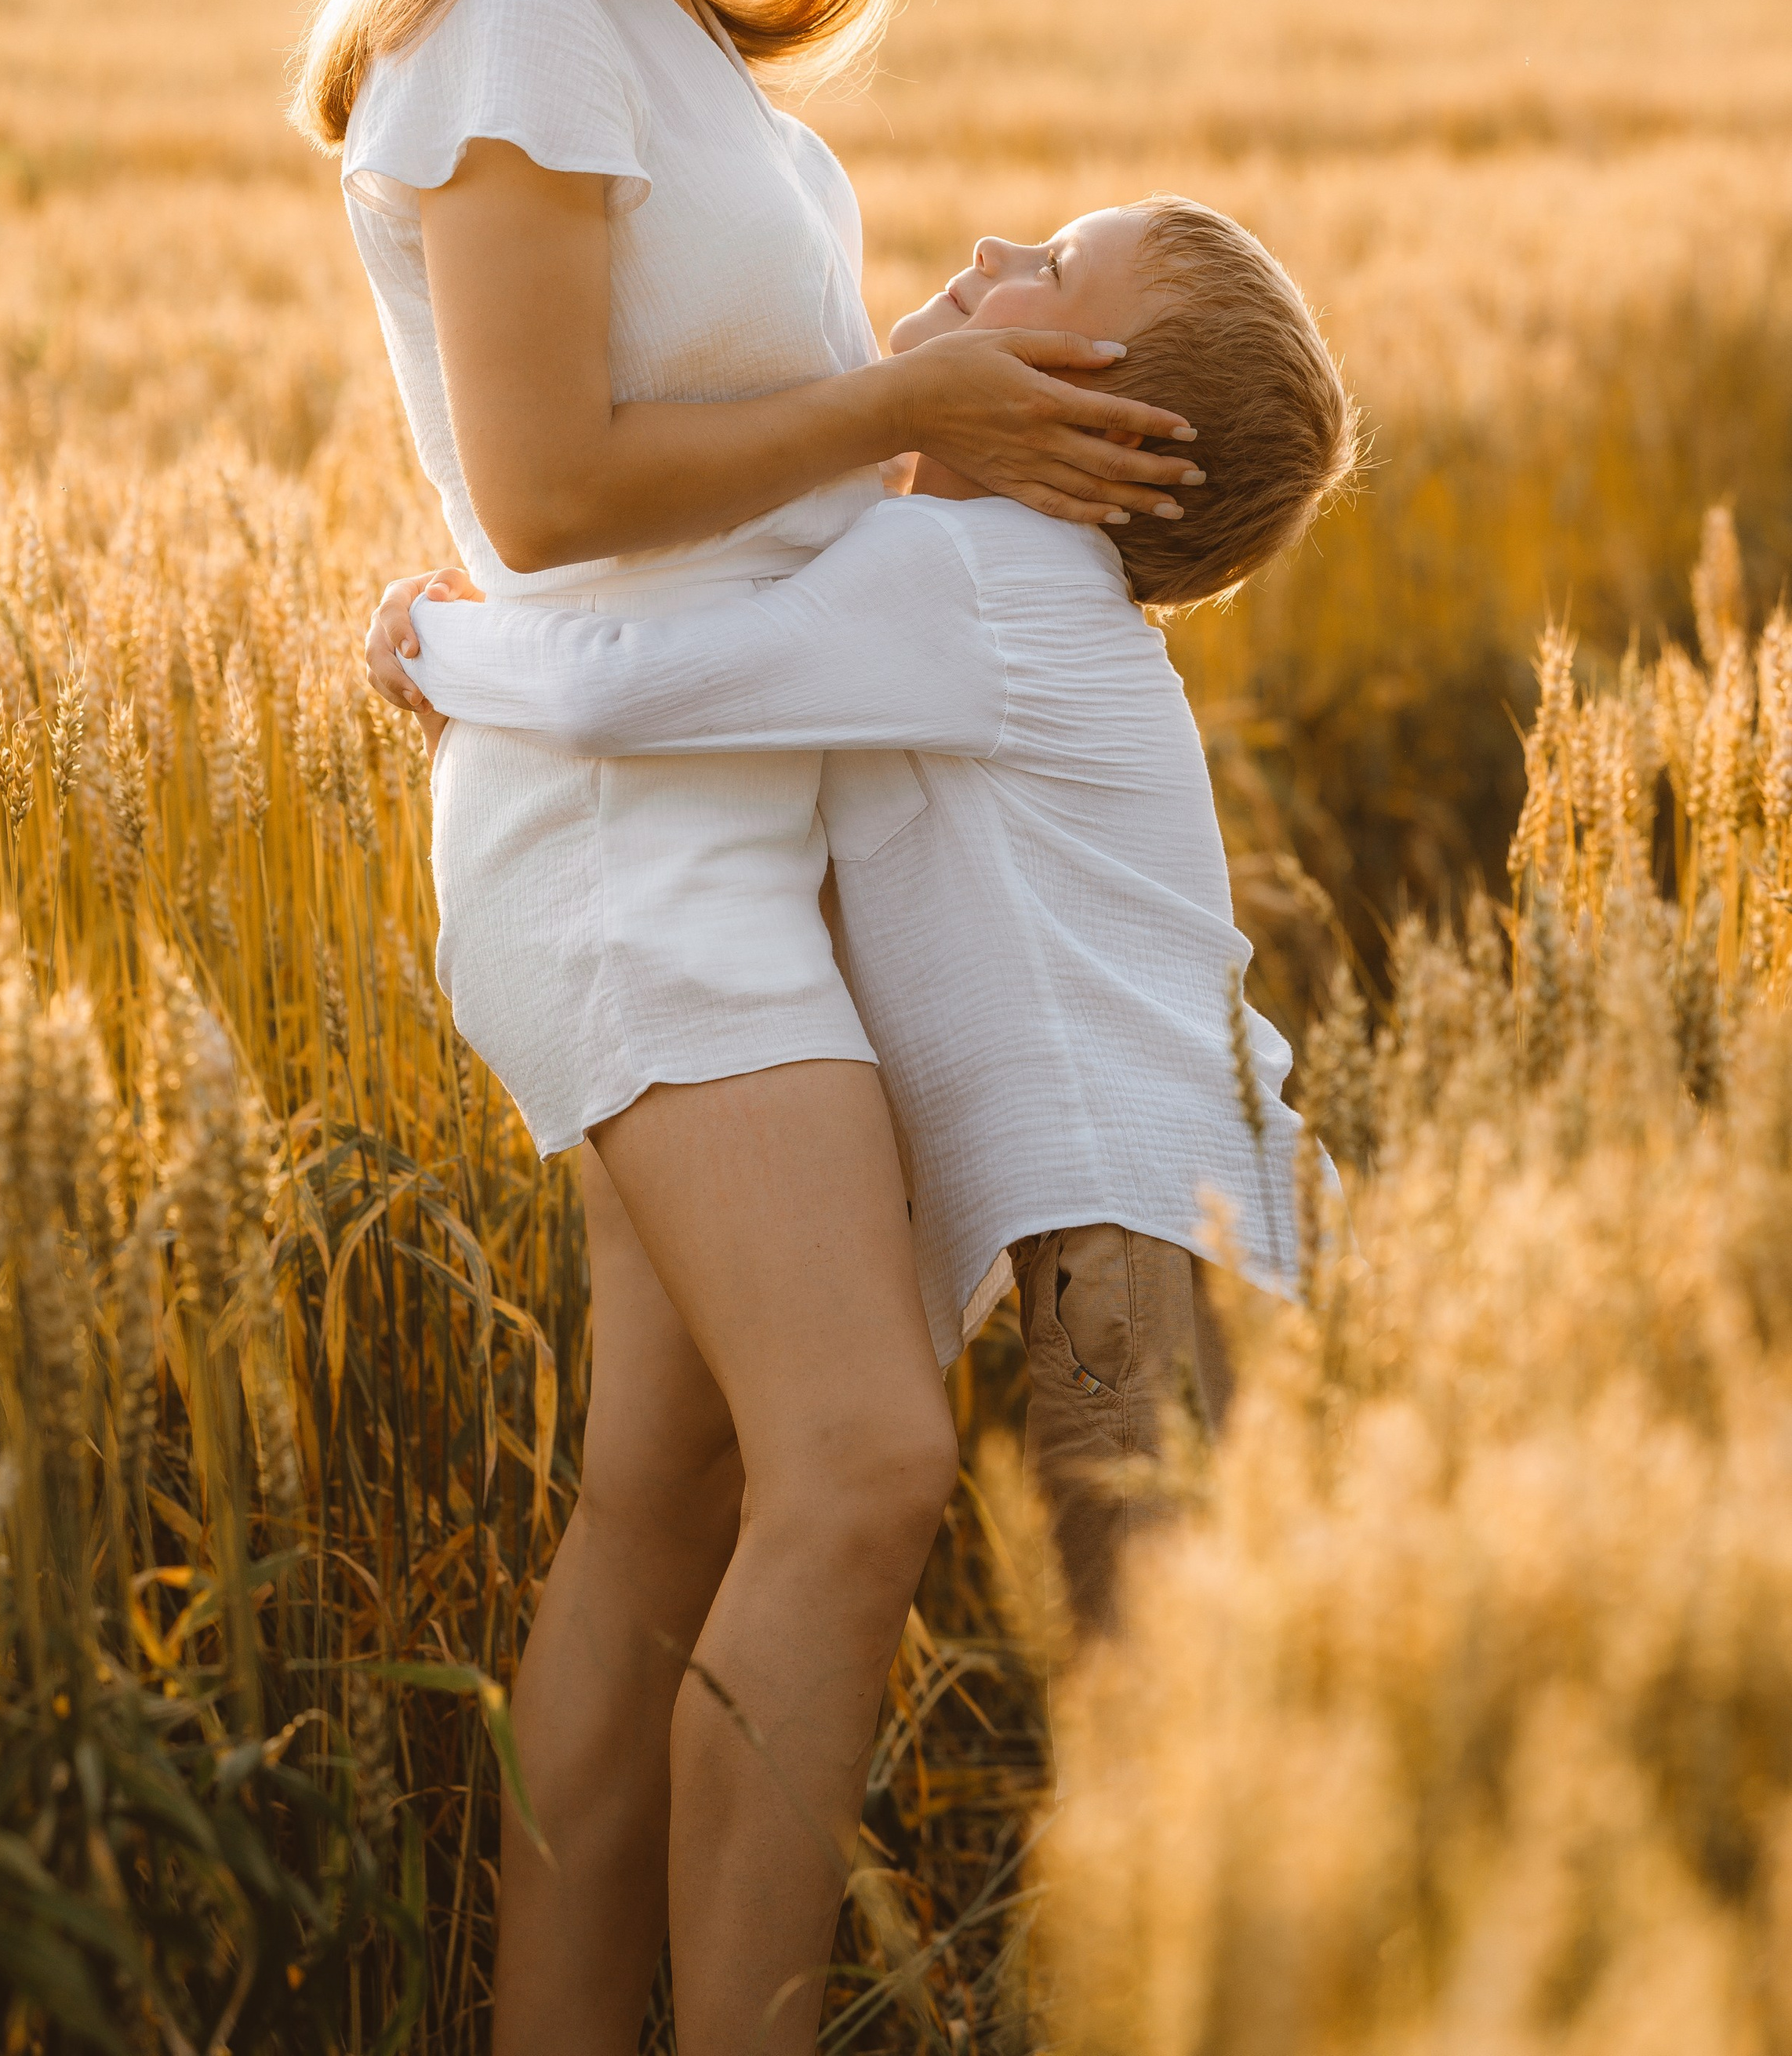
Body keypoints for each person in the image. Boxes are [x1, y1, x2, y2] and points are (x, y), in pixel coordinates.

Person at [304, 0, 1205, 2056]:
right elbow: (560, 486)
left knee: (672, 1505)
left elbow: (755, 457)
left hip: (738, 814)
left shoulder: (658, 56)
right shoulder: (515, 26)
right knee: (863, 1470)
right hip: (623, 842)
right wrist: (909, 396)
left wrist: (931, 401)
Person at [398, 194, 1358, 1651]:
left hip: (1153, 1253)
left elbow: (624, 693)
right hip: (1196, 1234)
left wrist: (431, 640)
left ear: (1106, 443)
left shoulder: (971, 580)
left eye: (1050, 272)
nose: (989, 254)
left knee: (1172, 1741)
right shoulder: (1005, 588)